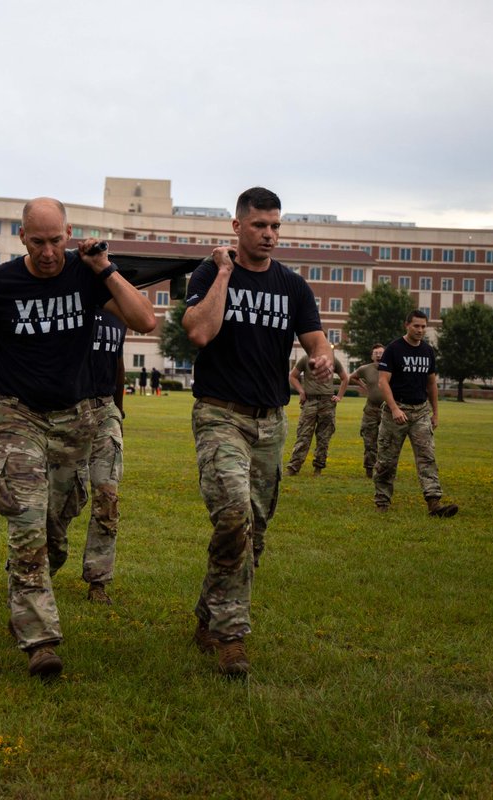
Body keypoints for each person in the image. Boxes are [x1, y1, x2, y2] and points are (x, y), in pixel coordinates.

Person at [0, 197, 156, 680]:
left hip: (75, 419)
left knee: (54, 529)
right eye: (37, 241)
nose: (47, 253)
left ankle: (26, 592)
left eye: (55, 241)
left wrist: (104, 268)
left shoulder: (86, 275)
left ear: (68, 234)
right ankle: (40, 639)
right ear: (22, 237)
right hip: (17, 414)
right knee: (26, 522)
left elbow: (144, 319)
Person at [182, 186, 331, 676]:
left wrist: (322, 357)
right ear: (237, 227)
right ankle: (232, 639)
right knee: (233, 515)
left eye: (275, 226)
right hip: (220, 415)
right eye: (259, 225)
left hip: (270, 422)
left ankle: (208, 615)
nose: (269, 235)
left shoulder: (292, 286)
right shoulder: (210, 273)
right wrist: (226, 272)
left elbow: (316, 339)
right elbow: (199, 331)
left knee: (253, 533)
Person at [373, 310, 460, 517]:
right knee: (387, 461)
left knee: (427, 458)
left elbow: (431, 384)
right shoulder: (394, 349)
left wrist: (435, 413)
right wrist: (394, 408)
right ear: (407, 325)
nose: (420, 330)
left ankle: (434, 503)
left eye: (423, 326)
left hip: (421, 412)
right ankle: (382, 502)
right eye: (416, 326)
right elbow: (383, 382)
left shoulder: (428, 351)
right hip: (396, 412)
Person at [79, 309, 128, 605]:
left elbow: (118, 363)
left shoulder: (117, 312)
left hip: (106, 409)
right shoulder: (67, 302)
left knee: (107, 495)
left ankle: (98, 580)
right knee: (62, 500)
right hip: (68, 409)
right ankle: (41, 564)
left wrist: (118, 412)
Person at [285, 346, 348, 476]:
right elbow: (292, 376)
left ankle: (318, 468)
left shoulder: (333, 360)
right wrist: (301, 391)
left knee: (324, 437)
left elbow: (345, 378)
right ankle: (293, 467)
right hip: (310, 402)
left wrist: (339, 396)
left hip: (327, 402)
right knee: (303, 435)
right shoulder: (305, 359)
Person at [350, 344, 386, 478]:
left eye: (381, 353)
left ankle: (384, 471)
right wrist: (364, 386)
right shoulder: (365, 369)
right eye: (376, 353)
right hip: (370, 410)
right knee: (369, 441)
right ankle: (369, 470)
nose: (379, 355)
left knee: (387, 442)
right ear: (372, 356)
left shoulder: (392, 368)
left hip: (387, 410)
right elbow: (352, 377)